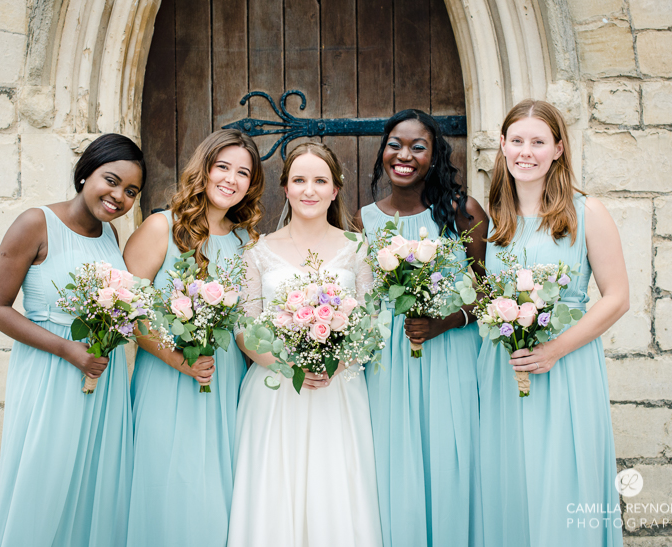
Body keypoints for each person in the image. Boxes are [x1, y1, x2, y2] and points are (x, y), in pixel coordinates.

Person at [0, 133, 145, 547]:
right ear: (86, 171)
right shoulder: (35, 223)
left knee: (93, 482)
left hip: (99, 378)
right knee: (45, 480)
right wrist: (67, 349)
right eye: (111, 180)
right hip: (50, 371)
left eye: (131, 192)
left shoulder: (110, 237)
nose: (118, 197)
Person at [478, 99, 628, 547]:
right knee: (508, 484)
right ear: (502, 146)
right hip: (503, 369)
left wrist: (554, 350)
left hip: (565, 367)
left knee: (561, 479)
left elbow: (617, 298)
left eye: (538, 142)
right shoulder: (494, 220)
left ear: (558, 149)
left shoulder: (587, 213)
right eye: (518, 141)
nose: (527, 152)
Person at [227, 142, 382, 546]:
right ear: (286, 188)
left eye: (319, 180)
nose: (309, 189)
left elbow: (371, 322)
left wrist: (337, 363)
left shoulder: (357, 248)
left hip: (339, 390)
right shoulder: (257, 251)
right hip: (276, 389)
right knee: (275, 491)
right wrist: (287, 366)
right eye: (299, 180)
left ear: (335, 190)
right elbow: (244, 326)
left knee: (337, 491)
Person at [123, 129, 264, 546]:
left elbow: (249, 320)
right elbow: (126, 310)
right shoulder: (160, 227)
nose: (231, 179)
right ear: (203, 170)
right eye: (223, 167)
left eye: (243, 172)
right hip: (168, 378)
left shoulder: (247, 242)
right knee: (168, 483)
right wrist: (177, 359)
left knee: (220, 487)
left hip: (225, 380)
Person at [356, 109, 487, 546]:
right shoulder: (362, 220)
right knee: (393, 464)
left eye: (418, 146)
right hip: (388, 362)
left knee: (450, 460)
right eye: (395, 144)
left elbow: (491, 296)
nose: (404, 155)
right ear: (382, 151)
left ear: (435, 155)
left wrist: (446, 321)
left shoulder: (461, 213)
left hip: (450, 353)